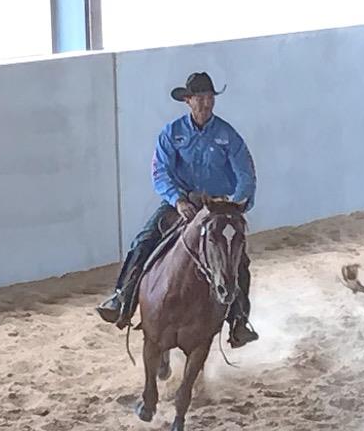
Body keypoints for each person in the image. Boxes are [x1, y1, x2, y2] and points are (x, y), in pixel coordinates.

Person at [96, 72, 259, 347]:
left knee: (237, 260)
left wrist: (236, 205)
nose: (206, 103)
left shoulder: (228, 135)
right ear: (188, 101)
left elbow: (246, 174)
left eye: (210, 98)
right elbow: (160, 172)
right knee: (143, 242)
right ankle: (122, 298)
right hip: (182, 203)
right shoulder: (172, 133)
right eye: (200, 98)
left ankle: (239, 320)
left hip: (218, 206)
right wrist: (178, 200)